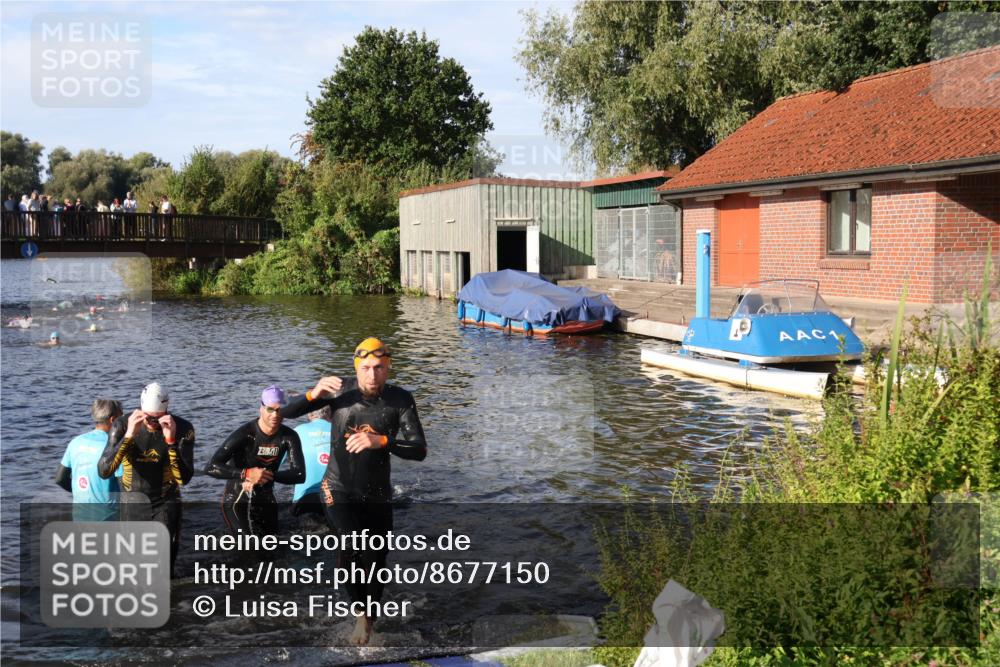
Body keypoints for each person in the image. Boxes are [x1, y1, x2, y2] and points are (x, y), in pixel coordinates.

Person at [281, 337, 427, 645]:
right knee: (351, 545)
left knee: (375, 559)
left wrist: (382, 442)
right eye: (366, 368)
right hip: (337, 488)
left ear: (388, 368)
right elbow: (287, 414)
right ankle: (360, 616)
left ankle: (369, 619)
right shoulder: (339, 393)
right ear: (356, 368)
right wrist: (313, 393)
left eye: (379, 368)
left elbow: (419, 450)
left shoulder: (401, 400)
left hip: (377, 494)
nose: (372, 375)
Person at [98, 382, 195, 576]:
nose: (152, 423)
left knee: (165, 570)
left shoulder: (183, 428)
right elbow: (104, 471)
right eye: (148, 417)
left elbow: (184, 479)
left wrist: (170, 442)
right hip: (132, 502)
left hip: (165, 502)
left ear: (166, 410)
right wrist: (129, 436)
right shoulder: (123, 424)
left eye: (157, 419)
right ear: (140, 409)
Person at [205, 385, 305, 536]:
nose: (275, 415)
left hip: (266, 498)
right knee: (248, 545)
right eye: (270, 409)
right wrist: (246, 474)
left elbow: (299, 474)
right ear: (261, 408)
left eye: (280, 410)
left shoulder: (289, 437)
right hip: (237, 499)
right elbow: (211, 467)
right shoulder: (245, 434)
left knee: (274, 547)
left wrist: (267, 475)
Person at [55, 399, 124, 520]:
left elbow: (60, 479)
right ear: (113, 420)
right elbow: (125, 487)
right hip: (108, 519)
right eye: (122, 417)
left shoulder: (75, 442)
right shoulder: (115, 447)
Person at [289, 403, 332, 519]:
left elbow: (275, 463)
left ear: (309, 414)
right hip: (335, 498)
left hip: (304, 499)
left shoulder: (296, 432)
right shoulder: (341, 431)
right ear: (330, 413)